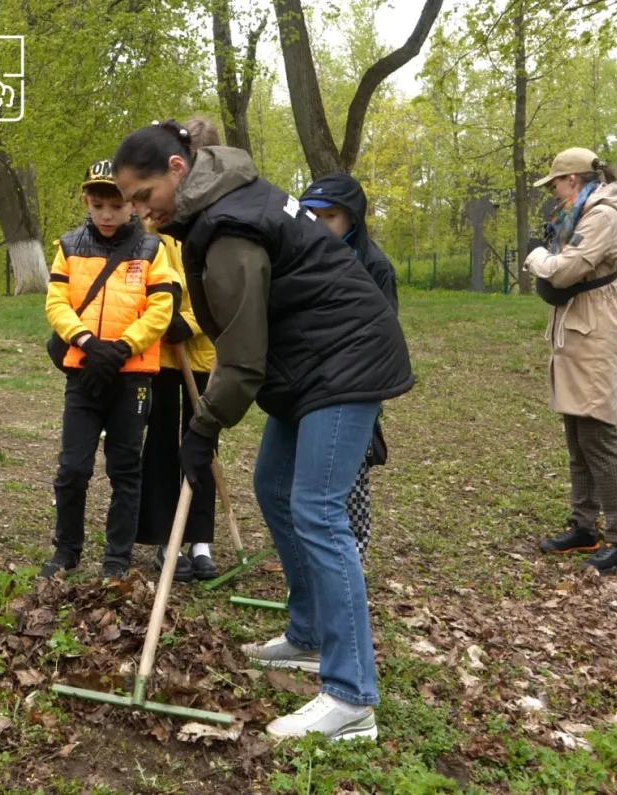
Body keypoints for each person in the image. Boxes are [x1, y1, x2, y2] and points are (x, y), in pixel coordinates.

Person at [113, 121, 414, 741]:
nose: (140, 214)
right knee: (275, 485)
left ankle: (352, 697)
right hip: (308, 362)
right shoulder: (222, 199)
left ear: (177, 168)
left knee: (319, 511)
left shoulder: (228, 227)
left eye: (144, 196)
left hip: (344, 359)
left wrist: (202, 427)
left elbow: (243, 361)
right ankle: (306, 635)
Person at [41, 158, 174, 579]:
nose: (107, 214)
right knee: (73, 467)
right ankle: (66, 551)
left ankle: (116, 559)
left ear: (132, 205)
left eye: (116, 206)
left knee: (125, 467)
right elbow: (55, 303)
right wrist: (85, 341)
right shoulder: (69, 245)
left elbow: (161, 309)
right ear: (87, 201)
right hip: (84, 373)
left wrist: (122, 347)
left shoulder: (154, 249)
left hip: (131, 375)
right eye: (98, 205)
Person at [525, 147, 617, 576]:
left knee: (598, 434)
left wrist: (536, 257)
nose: (554, 192)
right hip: (578, 333)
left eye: (556, 184)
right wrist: (549, 254)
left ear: (573, 180)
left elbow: (562, 271)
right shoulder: (580, 214)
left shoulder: (602, 217)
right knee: (578, 434)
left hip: (597, 336)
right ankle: (585, 526)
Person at [136, 118, 222, 582]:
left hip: (202, 354)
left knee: (201, 446)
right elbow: (154, 276)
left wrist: (187, 323)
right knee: (162, 449)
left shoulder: (216, 225)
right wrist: (163, 318)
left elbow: (217, 288)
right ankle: (165, 541)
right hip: (159, 358)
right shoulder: (160, 227)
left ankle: (201, 540)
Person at [300, 173, 397, 564]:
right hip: (307, 382)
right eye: (310, 215)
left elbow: (382, 333)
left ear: (352, 220)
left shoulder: (373, 266)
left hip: (353, 386)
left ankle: (351, 553)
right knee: (304, 478)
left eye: (329, 216)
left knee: (349, 475)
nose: (318, 224)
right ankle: (311, 557)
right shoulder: (299, 256)